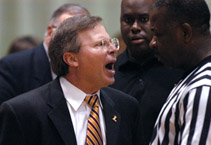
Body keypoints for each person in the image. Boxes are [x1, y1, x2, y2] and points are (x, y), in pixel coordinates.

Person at [0, 15, 143, 145]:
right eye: (101, 44)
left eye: (112, 43)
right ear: (71, 59)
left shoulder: (126, 107)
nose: (113, 49)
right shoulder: (23, 112)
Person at [149, 0, 211, 144]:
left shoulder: (205, 90)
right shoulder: (197, 78)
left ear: (185, 32)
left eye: (158, 34)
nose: (152, 43)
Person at [109, 0, 183, 143]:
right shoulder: (108, 73)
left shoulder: (178, 70)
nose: (135, 27)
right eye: (128, 20)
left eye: (144, 19)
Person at [0, 3, 90, 105]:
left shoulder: (91, 67)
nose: (77, 42)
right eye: (70, 34)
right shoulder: (12, 66)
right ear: (50, 32)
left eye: (85, 36)